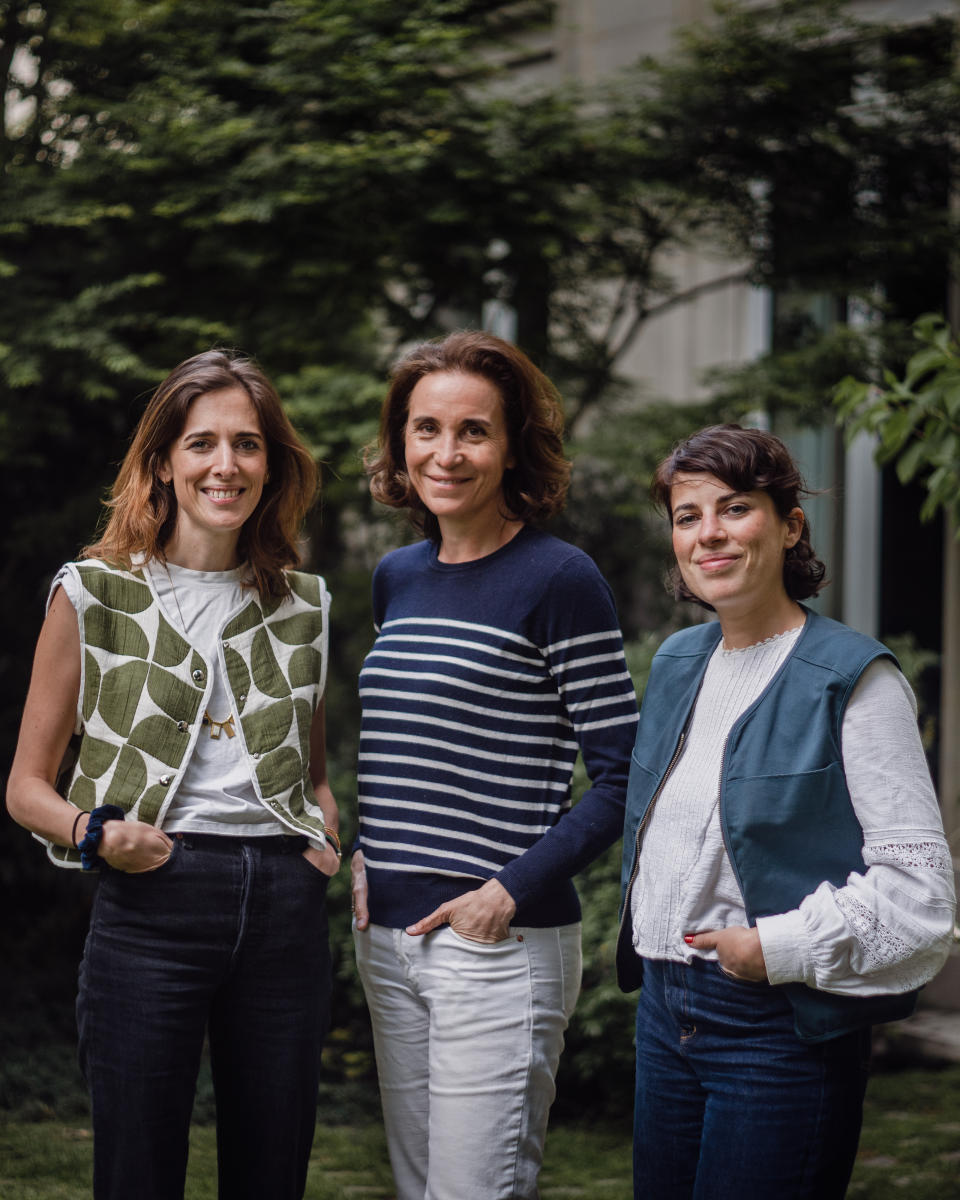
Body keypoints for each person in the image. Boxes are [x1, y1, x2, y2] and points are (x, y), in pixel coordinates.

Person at [7, 349, 340, 1200]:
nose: (226, 465)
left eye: (247, 445)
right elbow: (26, 786)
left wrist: (323, 840)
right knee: (136, 1172)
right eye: (202, 444)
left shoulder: (303, 604)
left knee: (272, 1174)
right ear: (163, 461)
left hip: (282, 906)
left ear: (272, 465)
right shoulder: (94, 594)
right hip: (153, 896)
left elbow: (310, 771)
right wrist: (98, 835)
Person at [617, 423, 956, 1200]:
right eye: (687, 515)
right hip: (665, 1016)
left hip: (779, 1026)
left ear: (790, 524)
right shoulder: (678, 663)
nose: (709, 534)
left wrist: (776, 947)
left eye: (734, 509)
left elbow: (921, 897)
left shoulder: (854, 680)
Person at [350, 330, 639, 1200]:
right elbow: (406, 745)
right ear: (401, 440)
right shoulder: (396, 577)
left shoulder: (560, 578)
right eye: (425, 428)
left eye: (473, 430)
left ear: (512, 446)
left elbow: (624, 775)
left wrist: (504, 894)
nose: (447, 452)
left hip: (497, 943)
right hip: (390, 943)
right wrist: (369, 850)